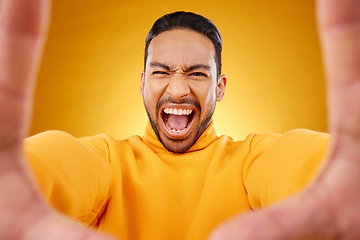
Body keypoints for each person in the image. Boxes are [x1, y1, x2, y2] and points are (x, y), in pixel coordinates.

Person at [1, 0, 360, 240]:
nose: (177, 89)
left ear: (219, 88)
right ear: (142, 82)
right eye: (162, 72)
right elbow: (55, 163)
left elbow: (298, 159)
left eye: (196, 73)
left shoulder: (252, 160)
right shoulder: (107, 161)